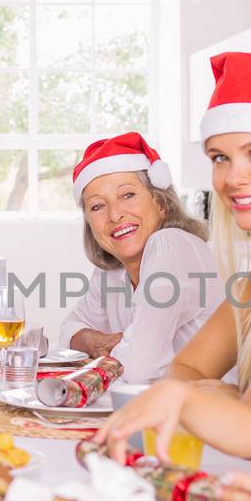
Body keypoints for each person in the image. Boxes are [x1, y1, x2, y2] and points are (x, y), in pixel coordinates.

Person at [97, 51, 251, 463]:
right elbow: (184, 371)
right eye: (220, 157)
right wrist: (211, 396)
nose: (233, 177)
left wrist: (191, 398)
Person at [59, 132, 220, 383]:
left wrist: (115, 351)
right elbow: (69, 330)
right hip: (154, 410)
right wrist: (97, 341)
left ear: (161, 203)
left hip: (208, 413)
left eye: (127, 195)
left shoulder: (171, 244)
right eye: (97, 206)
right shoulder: (110, 272)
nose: (115, 215)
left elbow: (137, 369)